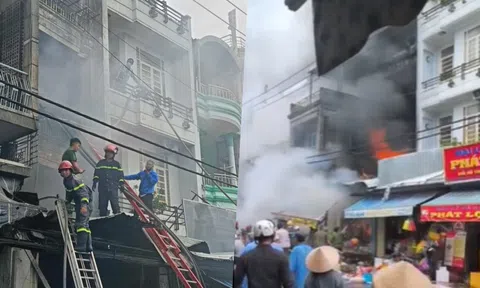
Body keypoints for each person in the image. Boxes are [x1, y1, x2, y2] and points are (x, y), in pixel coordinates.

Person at [234, 219, 293, 288]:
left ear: (255, 236)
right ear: (273, 235)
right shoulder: (281, 257)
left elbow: (237, 281)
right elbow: (288, 283)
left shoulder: (245, 257)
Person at [58, 160, 93, 252]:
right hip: (79, 204)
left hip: (84, 203)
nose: (64, 172)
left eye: (66, 170)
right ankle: (88, 246)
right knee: (85, 225)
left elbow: (84, 194)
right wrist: (67, 201)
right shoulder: (66, 181)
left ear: (70, 170)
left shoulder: (76, 180)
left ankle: (81, 246)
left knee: (81, 224)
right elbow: (70, 193)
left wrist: (84, 206)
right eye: (62, 170)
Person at [93, 144, 125, 217]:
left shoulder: (117, 165)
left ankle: (118, 221)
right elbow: (96, 174)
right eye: (107, 152)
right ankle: (102, 223)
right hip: (102, 188)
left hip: (113, 188)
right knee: (102, 207)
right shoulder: (100, 163)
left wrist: (122, 184)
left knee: (115, 206)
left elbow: (121, 176)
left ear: (113, 154)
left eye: (111, 153)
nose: (109, 154)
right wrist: (95, 182)